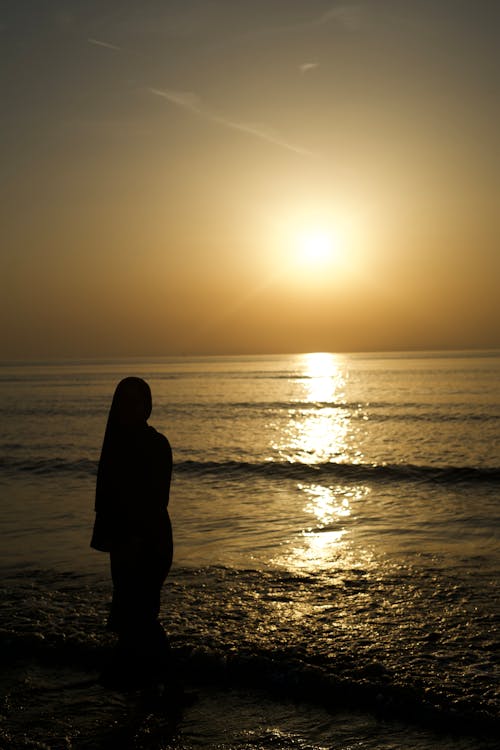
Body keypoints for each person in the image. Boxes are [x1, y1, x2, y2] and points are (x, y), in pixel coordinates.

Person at [91, 377, 174, 688]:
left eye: (136, 402)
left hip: (150, 542)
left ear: (147, 407)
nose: (129, 409)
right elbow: (109, 499)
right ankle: (135, 682)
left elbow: (157, 499)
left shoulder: (156, 444)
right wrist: (118, 542)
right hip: (123, 541)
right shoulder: (116, 445)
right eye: (123, 402)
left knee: (141, 616)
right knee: (131, 616)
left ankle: (169, 684)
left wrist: (137, 540)